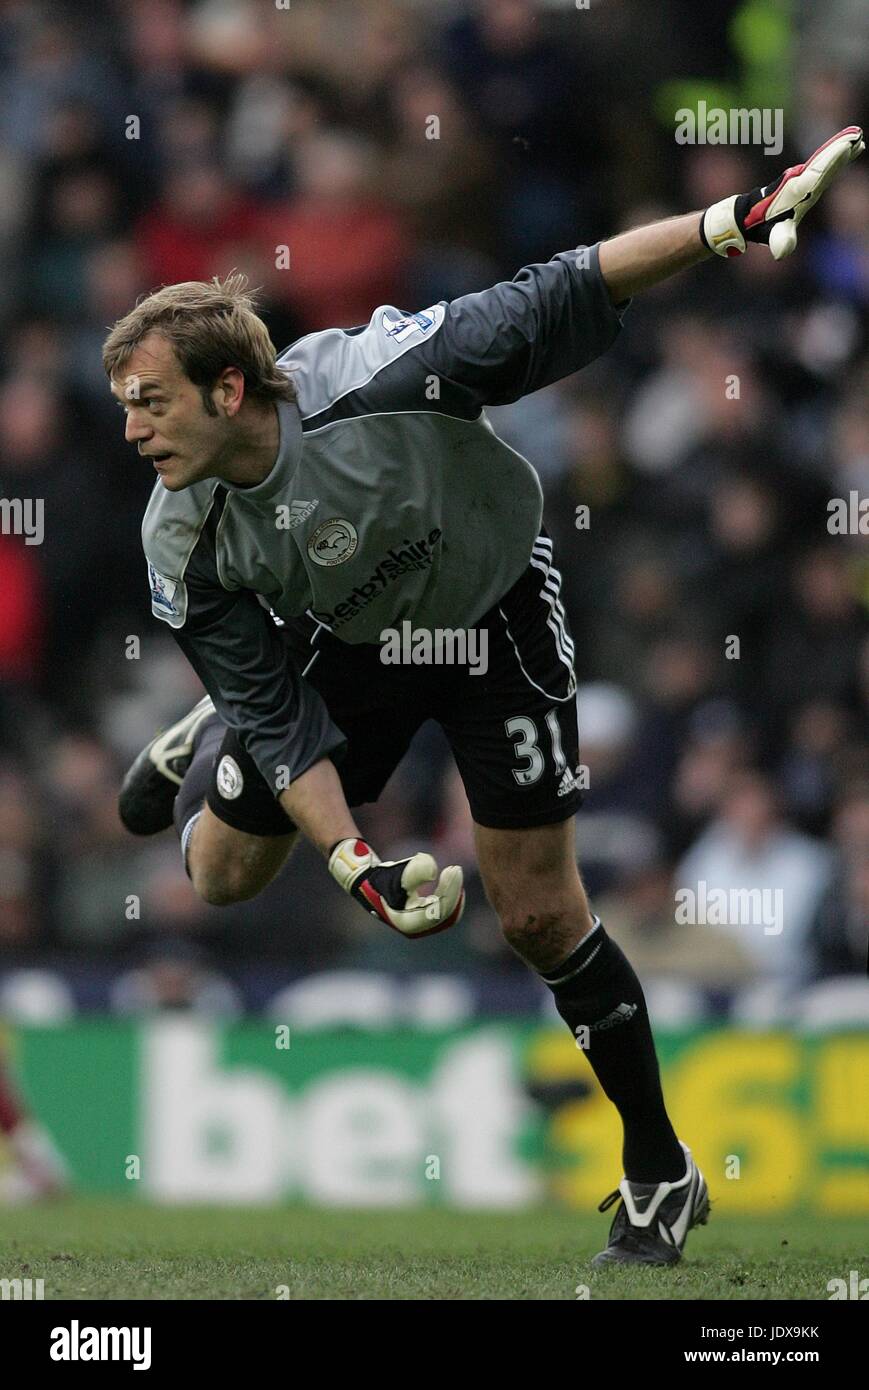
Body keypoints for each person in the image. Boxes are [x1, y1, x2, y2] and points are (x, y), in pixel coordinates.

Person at [105, 128, 863, 1266]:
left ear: (227, 387)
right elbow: (278, 716)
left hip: (492, 612)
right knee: (216, 871)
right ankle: (207, 723)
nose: (130, 430)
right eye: (122, 403)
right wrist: (355, 861)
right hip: (347, 641)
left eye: (150, 401)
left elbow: (561, 285)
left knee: (541, 916)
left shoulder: (380, 375)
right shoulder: (179, 535)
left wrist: (730, 223)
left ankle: (656, 1167)